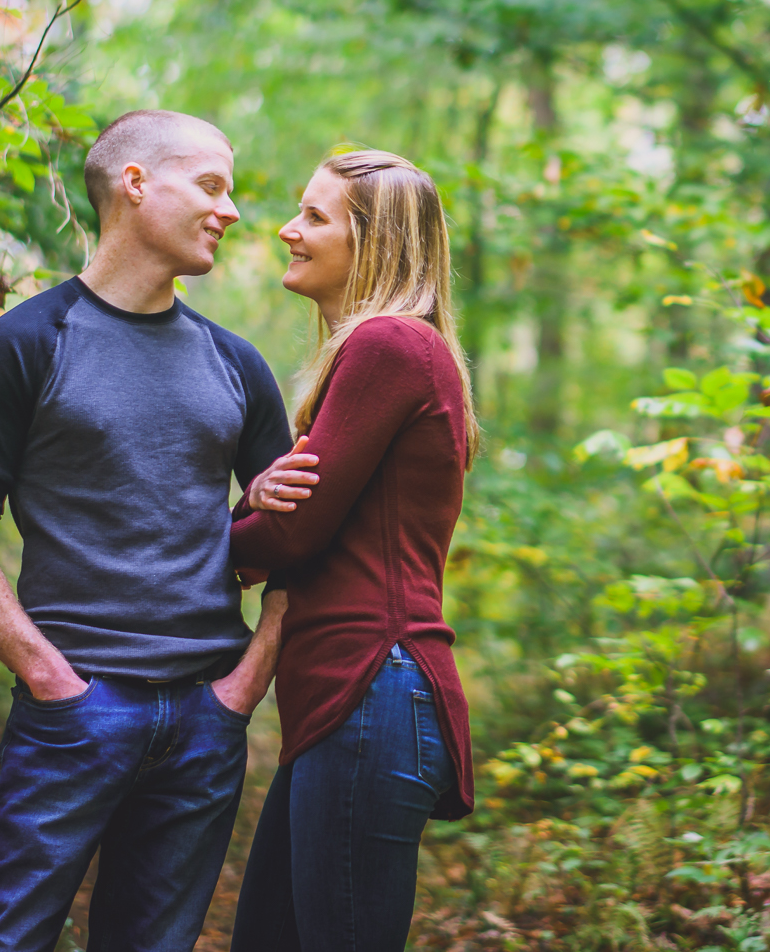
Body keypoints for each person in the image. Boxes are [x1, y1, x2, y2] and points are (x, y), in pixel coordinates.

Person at [0, 110, 298, 952]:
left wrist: (246, 683)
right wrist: (48, 676)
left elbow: (300, 538)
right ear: (134, 184)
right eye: (210, 185)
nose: (231, 210)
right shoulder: (25, 343)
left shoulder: (235, 364)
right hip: (74, 712)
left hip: (206, 717)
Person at [227, 148, 478, 952]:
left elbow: (290, 530)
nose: (287, 230)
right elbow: (296, 515)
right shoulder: (401, 350)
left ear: (370, 242)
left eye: (313, 216)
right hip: (348, 700)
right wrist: (252, 507)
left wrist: (214, 537)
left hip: (370, 686)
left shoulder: (388, 346)